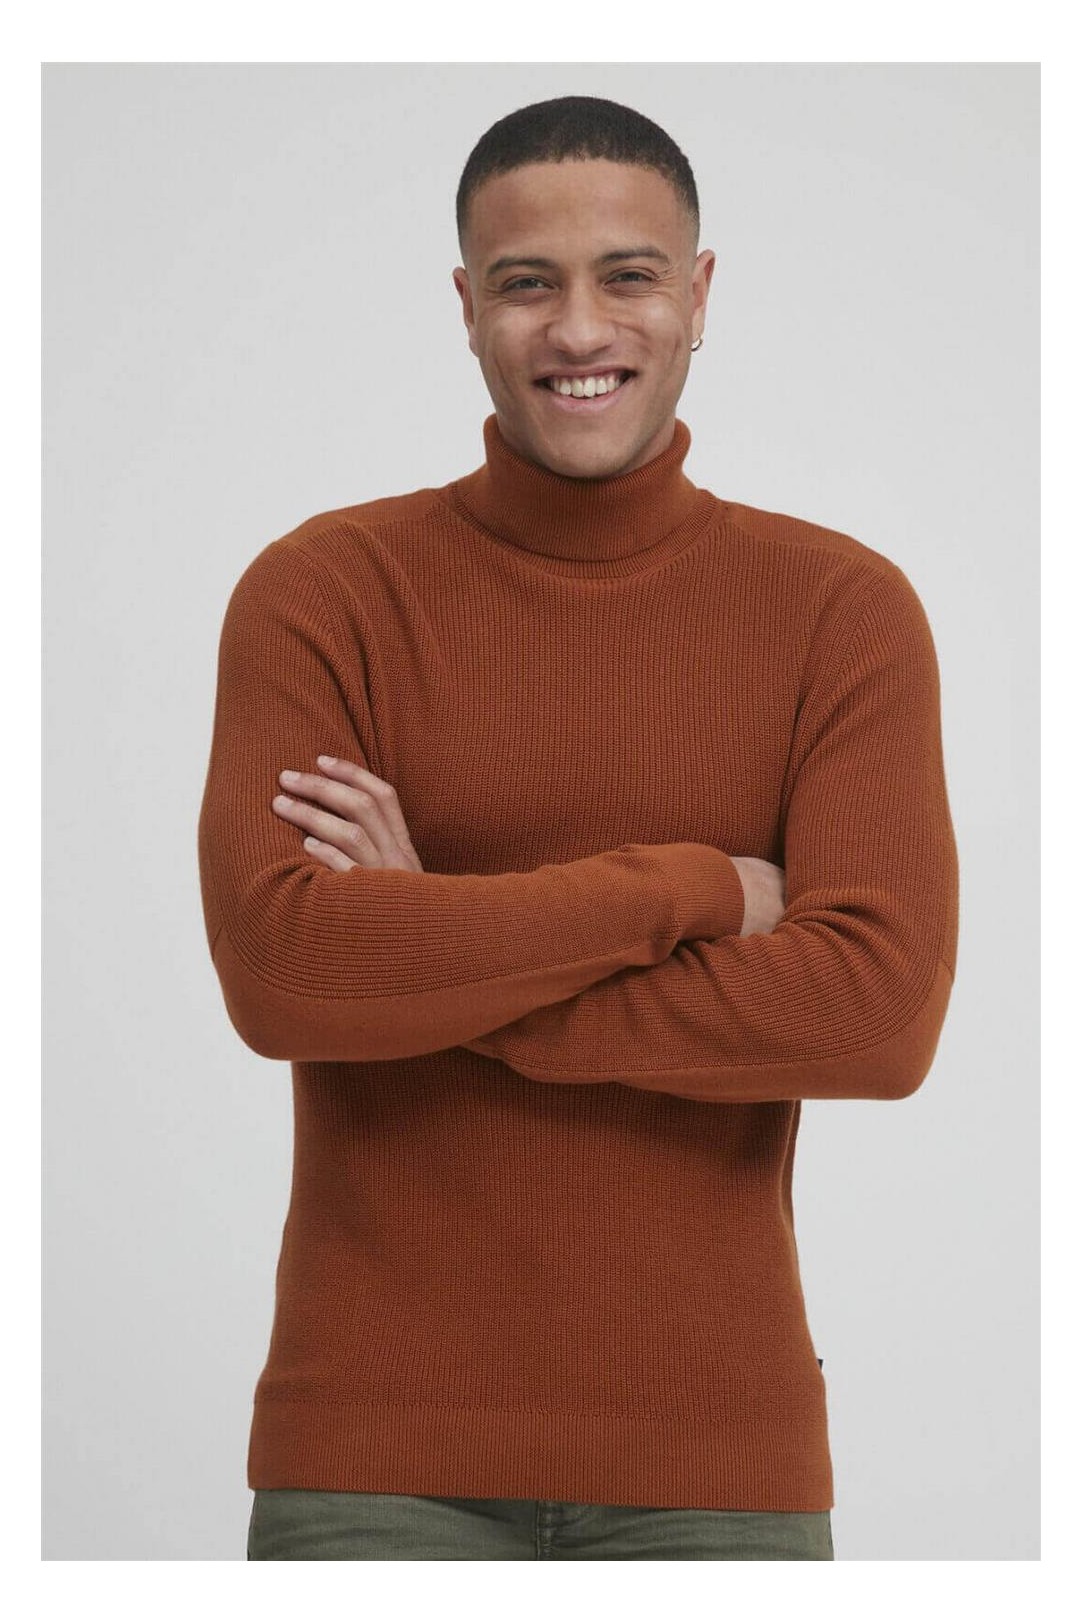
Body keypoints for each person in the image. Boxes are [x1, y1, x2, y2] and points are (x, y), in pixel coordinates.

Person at [197, 95, 959, 1561]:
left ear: (699, 294)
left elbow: (875, 1016)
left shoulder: (838, 612)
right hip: (373, 1456)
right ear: (465, 306)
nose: (578, 328)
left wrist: (431, 944)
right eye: (525, 282)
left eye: (628, 275)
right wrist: (693, 887)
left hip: (717, 1464)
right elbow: (287, 975)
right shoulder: (325, 592)